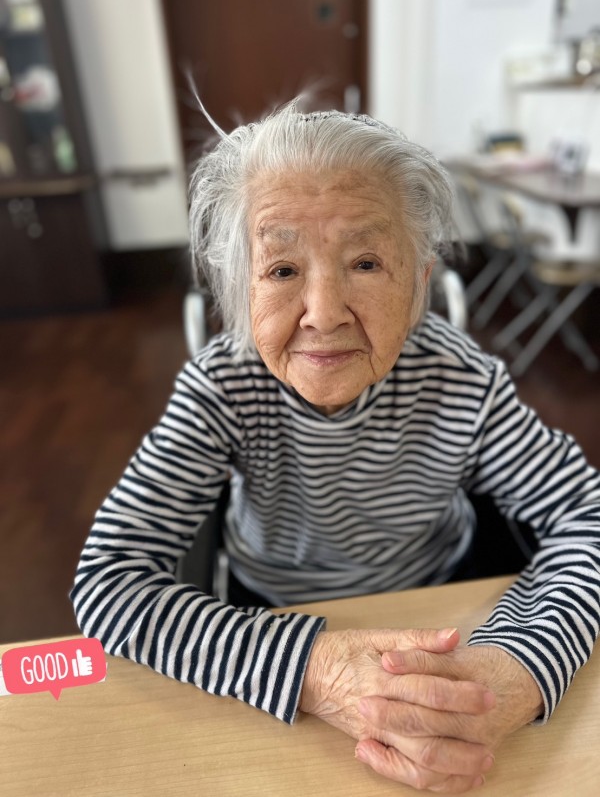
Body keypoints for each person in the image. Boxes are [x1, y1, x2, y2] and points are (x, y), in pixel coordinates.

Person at [71, 101, 600, 793]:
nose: (323, 314)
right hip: (276, 617)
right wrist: (314, 668)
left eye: (367, 262)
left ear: (418, 280)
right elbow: (109, 578)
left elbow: (587, 515)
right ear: (239, 288)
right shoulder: (222, 386)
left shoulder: (462, 378)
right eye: (282, 269)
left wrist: (519, 666)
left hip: (447, 611)